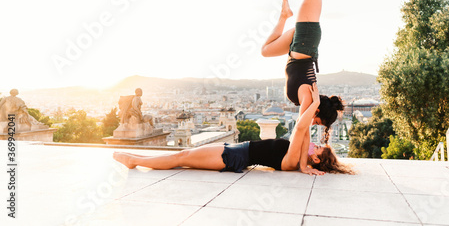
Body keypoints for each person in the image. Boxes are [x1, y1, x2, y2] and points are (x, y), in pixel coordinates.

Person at [113, 83, 353, 175]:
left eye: (319, 148)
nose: (317, 143)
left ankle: (136, 161)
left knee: (182, 157)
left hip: (235, 157)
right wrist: (314, 105)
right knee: (182, 157)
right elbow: (303, 129)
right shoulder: (298, 154)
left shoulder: (292, 161)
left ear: (315, 158)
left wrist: (315, 105)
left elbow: (302, 126)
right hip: (236, 150)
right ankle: (137, 158)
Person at [261, 0, 343, 143]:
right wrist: (304, 164)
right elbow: (301, 130)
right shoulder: (308, 99)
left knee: (265, 51)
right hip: (305, 41)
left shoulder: (310, 100)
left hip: (297, 46)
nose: (313, 123)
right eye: (318, 121)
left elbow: (302, 129)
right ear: (318, 112)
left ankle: (284, 16)